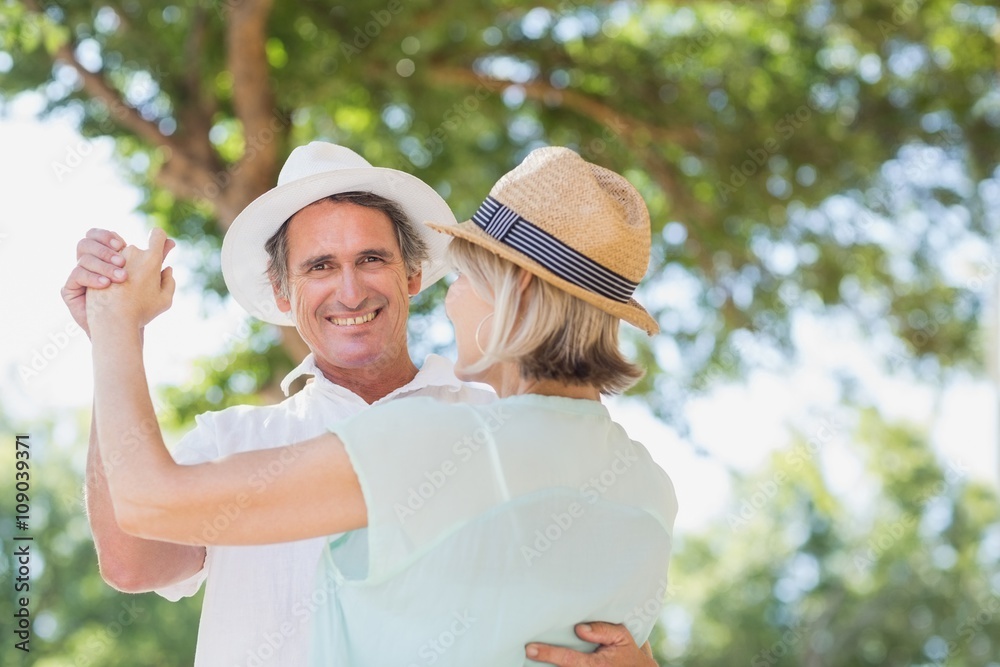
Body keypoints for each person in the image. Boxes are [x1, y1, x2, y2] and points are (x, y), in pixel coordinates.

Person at [64, 142, 661, 666]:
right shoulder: (233, 442)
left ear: (412, 273)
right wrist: (105, 343)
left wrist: (120, 328)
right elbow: (130, 558)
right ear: (281, 291)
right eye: (320, 266)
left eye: (371, 259)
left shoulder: (483, 429)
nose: (350, 290)